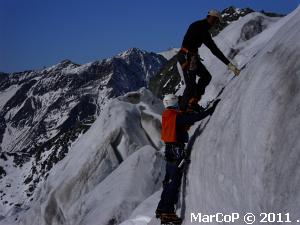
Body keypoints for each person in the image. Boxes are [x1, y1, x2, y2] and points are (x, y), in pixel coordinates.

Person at [155, 94, 219, 224]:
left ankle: (162, 208)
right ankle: (167, 213)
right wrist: (209, 111)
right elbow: (192, 118)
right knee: (174, 182)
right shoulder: (176, 116)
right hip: (176, 150)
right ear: (173, 102)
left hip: (169, 150)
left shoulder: (167, 114)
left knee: (168, 180)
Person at [177, 9, 240, 111]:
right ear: (213, 18)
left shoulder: (198, 25)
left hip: (190, 57)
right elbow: (214, 50)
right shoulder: (202, 29)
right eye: (217, 21)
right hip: (187, 57)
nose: (216, 24)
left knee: (205, 77)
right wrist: (231, 66)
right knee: (190, 85)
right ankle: (183, 112)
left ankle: (192, 103)